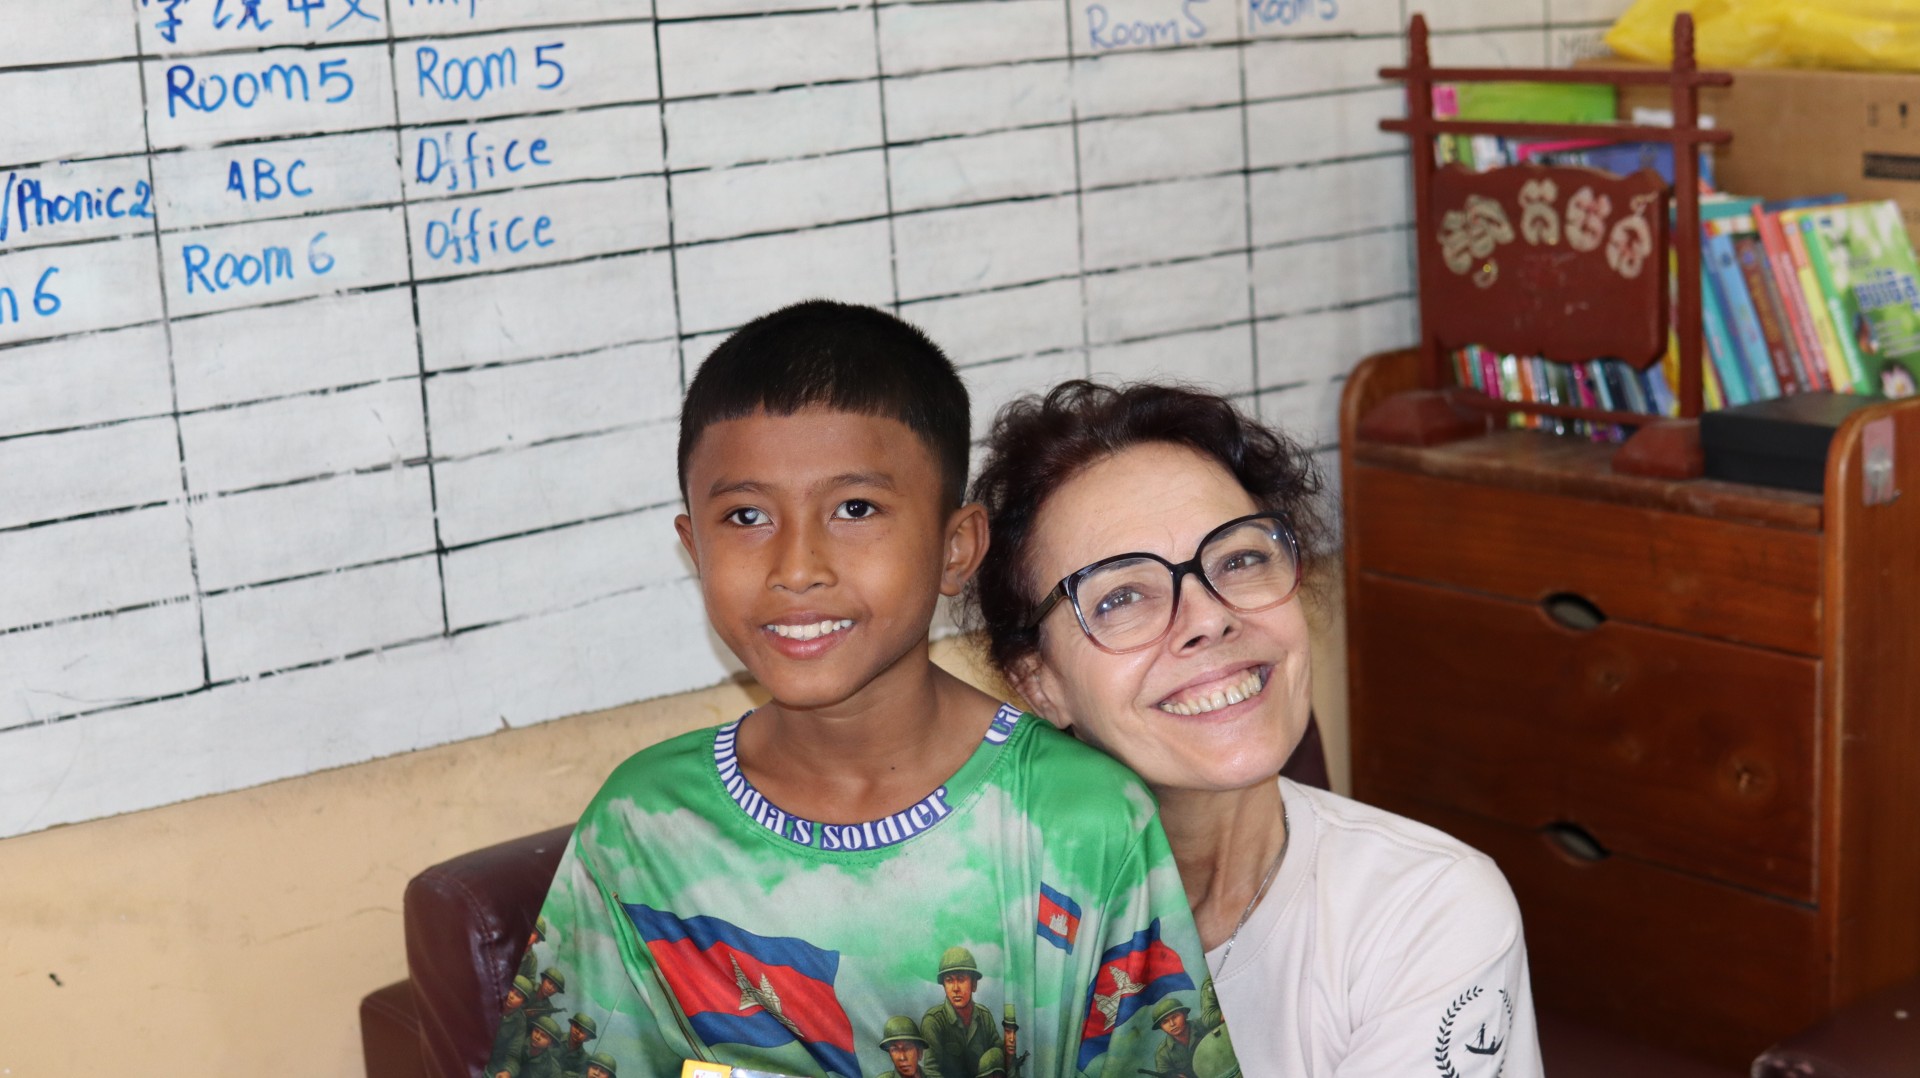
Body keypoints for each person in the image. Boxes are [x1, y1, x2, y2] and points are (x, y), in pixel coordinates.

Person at [486, 303, 1238, 1078]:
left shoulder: (1082, 822)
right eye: (746, 516)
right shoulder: (642, 828)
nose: (796, 568)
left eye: (855, 509)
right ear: (695, 549)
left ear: (955, 548)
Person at [967, 380, 1543, 1076]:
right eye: (1122, 597)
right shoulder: (976, 943)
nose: (1210, 617)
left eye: (1238, 560)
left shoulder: (1425, 910)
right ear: (1039, 683)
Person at [921, 946, 995, 1078]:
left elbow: (998, 1057)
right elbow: (931, 1072)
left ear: (974, 984)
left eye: (961, 979)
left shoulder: (984, 1017)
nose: (955, 988)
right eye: (949, 980)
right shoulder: (933, 1021)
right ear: (944, 986)